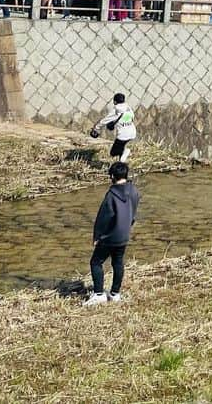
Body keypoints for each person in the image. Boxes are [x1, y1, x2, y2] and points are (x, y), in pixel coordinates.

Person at [84, 161, 140, 306]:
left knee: (96, 262)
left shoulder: (111, 195)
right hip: (124, 235)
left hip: (110, 237)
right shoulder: (134, 190)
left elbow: (103, 218)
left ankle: (98, 294)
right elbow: (133, 211)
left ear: (113, 176)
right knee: (118, 262)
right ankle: (115, 293)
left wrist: (97, 236)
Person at [90, 92, 137, 162]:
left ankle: (126, 151)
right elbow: (132, 118)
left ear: (115, 101)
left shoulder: (116, 110)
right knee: (120, 148)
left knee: (113, 153)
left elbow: (105, 120)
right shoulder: (128, 108)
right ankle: (121, 163)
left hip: (123, 135)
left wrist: (96, 127)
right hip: (132, 132)